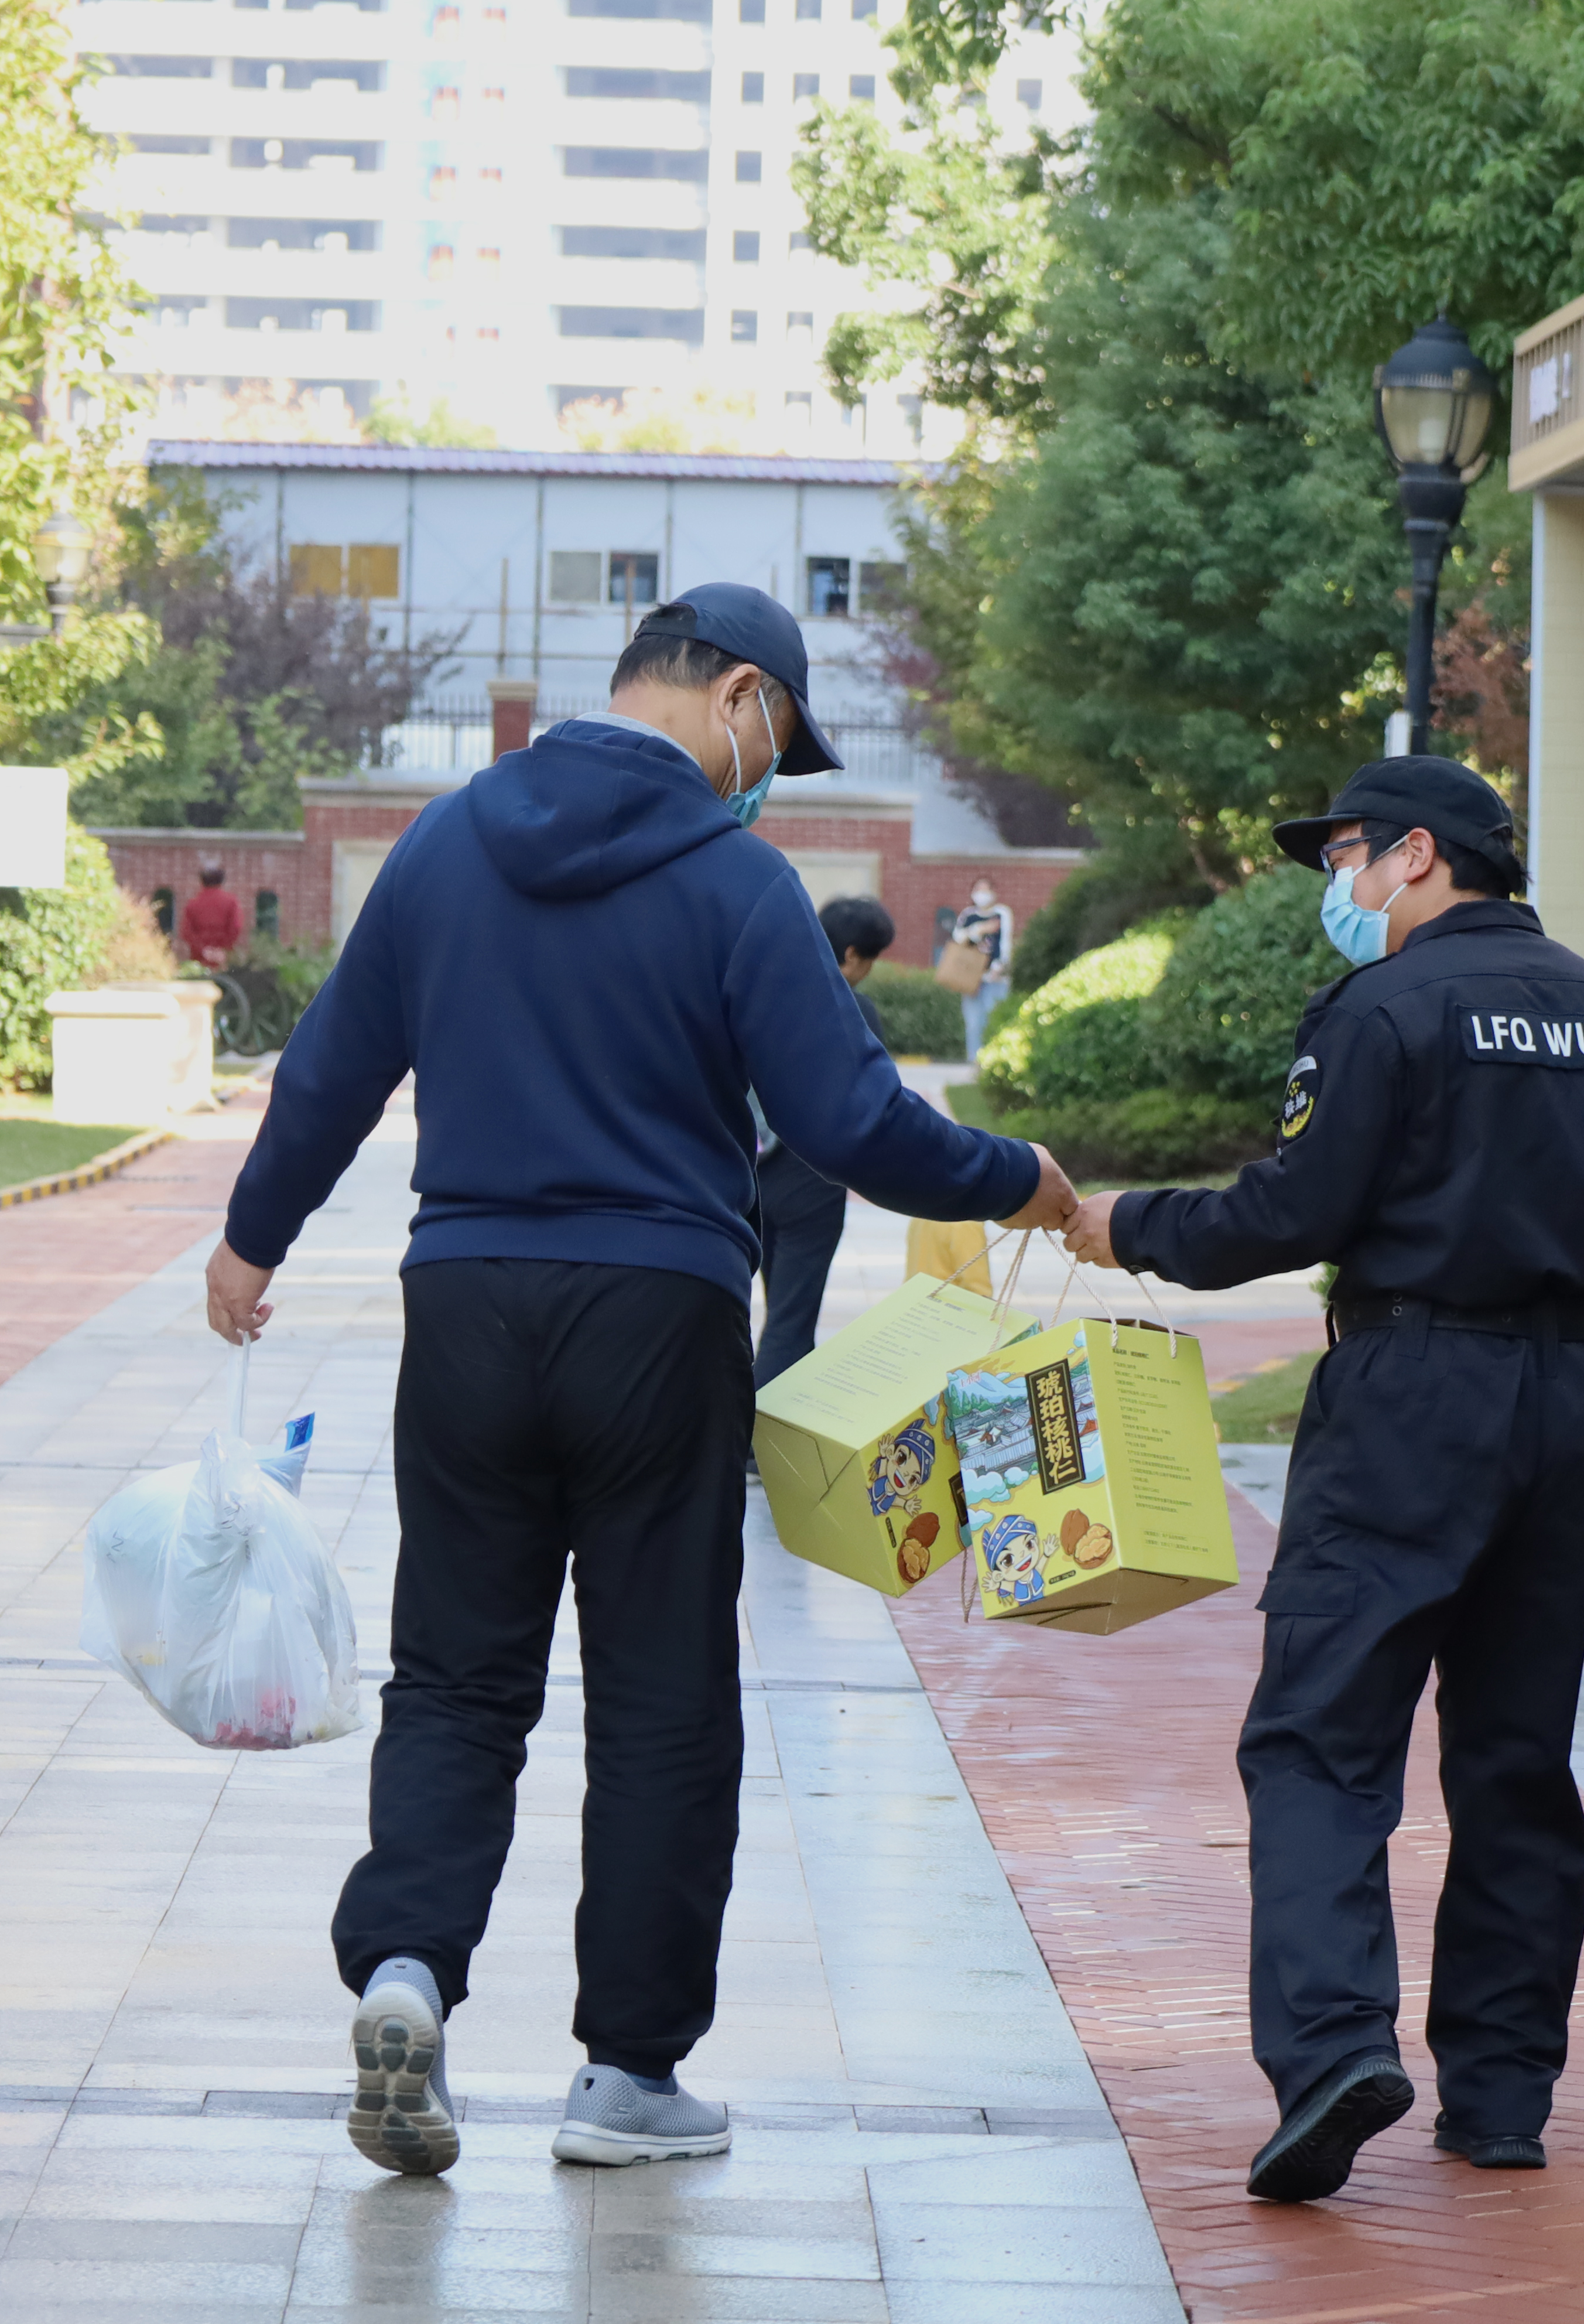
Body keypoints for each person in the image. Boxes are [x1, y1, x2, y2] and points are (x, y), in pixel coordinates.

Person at [207, 585, 1074, 2182]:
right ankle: (627, 2076)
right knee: (663, 1697)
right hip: (659, 1316)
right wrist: (1020, 1178)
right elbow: (851, 1122)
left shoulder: (448, 844)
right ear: (739, 693)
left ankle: (408, 1970)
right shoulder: (736, 882)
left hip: (462, 1303)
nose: (771, 775)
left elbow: (332, 1064)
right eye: (779, 741)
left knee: (462, 1679)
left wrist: (249, 1243)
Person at [1059, 754, 1584, 2205]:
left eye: (1346, 855)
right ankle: (1499, 2097)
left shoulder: (1385, 1008)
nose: (1337, 887)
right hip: (1564, 1403)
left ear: (1419, 855)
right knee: (1511, 1757)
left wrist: (1129, 1226)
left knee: (1319, 1738)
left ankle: (1331, 2051)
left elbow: (1292, 1208)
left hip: (1407, 1395)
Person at [752, 894, 897, 1386]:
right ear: (852, 954)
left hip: (749, 1176)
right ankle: (756, 1444)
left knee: (766, 1311)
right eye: (870, 960)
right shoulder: (854, 1010)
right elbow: (872, 1105)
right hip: (812, 1184)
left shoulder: (765, 991)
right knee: (791, 1322)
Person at [950, 879, 1013, 1058]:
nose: (982, 894)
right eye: (978, 890)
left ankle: (995, 1060)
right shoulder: (968, 915)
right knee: (974, 1023)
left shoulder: (1002, 914)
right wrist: (980, 929)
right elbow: (958, 938)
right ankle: (975, 1062)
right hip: (971, 978)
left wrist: (998, 967)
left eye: (986, 890)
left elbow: (1005, 944)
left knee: (994, 1021)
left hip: (996, 979)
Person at [177, 859, 246, 968]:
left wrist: (203, 949)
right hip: (223, 957)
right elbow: (236, 927)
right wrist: (222, 948)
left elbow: (186, 931)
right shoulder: (231, 902)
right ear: (222, 880)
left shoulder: (193, 904)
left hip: (199, 958)